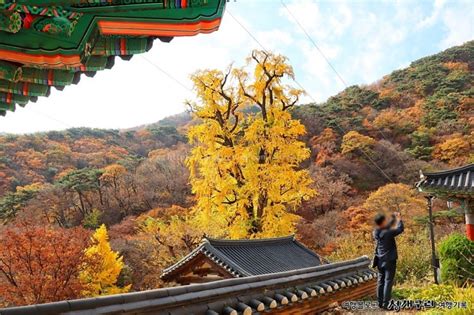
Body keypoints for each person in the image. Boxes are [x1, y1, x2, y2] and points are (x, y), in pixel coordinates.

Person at [373, 211, 404, 309]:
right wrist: (399, 219)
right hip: (389, 260)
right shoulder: (388, 232)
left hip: (380, 260)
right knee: (388, 281)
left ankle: (380, 303)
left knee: (380, 281)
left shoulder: (375, 232)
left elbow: (387, 227)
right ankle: (386, 304)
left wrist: (393, 218)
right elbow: (400, 229)